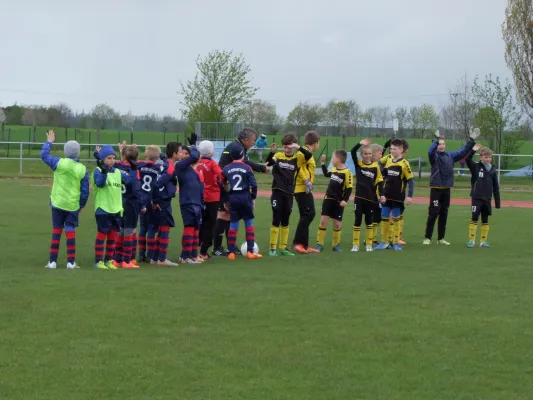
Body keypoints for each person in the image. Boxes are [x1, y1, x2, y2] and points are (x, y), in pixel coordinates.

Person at [212, 128, 270, 256]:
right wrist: (262, 168)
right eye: (253, 140)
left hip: (228, 186)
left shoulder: (238, 146)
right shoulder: (237, 147)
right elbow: (246, 163)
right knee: (223, 215)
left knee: (229, 216)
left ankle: (231, 247)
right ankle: (217, 247)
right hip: (224, 185)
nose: (254, 143)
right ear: (245, 139)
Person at [41, 130, 89, 269]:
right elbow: (85, 190)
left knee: (56, 230)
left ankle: (52, 262)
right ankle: (71, 262)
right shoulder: (82, 169)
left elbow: (43, 155)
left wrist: (49, 141)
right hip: (72, 205)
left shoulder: (59, 163)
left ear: (65, 151)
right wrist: (82, 205)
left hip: (57, 203)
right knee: (70, 231)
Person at [423, 128, 478, 245]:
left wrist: (471, 139)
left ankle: (441, 238)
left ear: (445, 145)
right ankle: (428, 237)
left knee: (444, 214)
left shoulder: (451, 156)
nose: (441, 146)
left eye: (443, 144)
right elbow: (429, 151)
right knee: (433, 213)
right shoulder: (434, 157)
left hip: (446, 189)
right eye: (439, 144)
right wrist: (436, 140)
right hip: (436, 189)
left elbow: (463, 151)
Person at [265, 133, 313, 256]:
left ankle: (283, 248)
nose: (286, 149)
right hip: (277, 192)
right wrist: (271, 152)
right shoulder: (278, 155)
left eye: (289, 147)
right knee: (276, 218)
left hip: (289, 193)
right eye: (285, 147)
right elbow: (269, 163)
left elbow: (309, 155)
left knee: (286, 221)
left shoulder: (297, 158)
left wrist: (298, 147)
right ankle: (272, 248)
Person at [91, 145, 135, 270]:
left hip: (116, 210)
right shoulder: (97, 171)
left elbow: (130, 181)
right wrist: (104, 171)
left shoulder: (117, 172)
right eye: (109, 158)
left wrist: (134, 168)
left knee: (112, 237)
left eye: (113, 158)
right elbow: (100, 183)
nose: (112, 160)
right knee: (102, 236)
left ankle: (109, 260)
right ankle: (99, 261)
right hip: (103, 209)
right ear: (103, 159)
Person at [105, 142, 146, 268]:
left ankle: (117, 259)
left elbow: (118, 161)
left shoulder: (117, 167)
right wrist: (142, 205)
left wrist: (121, 150)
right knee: (129, 231)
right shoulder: (135, 170)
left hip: (119, 202)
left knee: (120, 230)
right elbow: (136, 189)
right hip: (131, 203)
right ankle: (127, 260)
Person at [222, 147, 262, 260]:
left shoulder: (226, 168)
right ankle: (250, 251)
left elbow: (222, 184)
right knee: (249, 224)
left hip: (233, 198)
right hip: (245, 197)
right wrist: (252, 198)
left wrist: (225, 200)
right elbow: (254, 185)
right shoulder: (247, 167)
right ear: (242, 156)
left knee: (233, 225)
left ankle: (231, 253)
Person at [375, 139, 414, 251]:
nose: (392, 151)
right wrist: (381, 192)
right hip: (386, 196)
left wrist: (410, 196)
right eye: (391, 148)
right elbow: (384, 176)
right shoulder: (389, 160)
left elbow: (411, 180)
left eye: (395, 149)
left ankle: (396, 242)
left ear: (401, 150)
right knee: (384, 218)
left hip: (398, 197)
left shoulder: (404, 164)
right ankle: (384, 242)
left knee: (396, 219)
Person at [350, 139, 384, 252]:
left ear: (372, 154)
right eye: (365, 153)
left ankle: (368, 244)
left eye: (369, 154)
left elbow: (380, 182)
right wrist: (360, 143)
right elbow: (352, 151)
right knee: (358, 220)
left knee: (369, 221)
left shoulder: (376, 167)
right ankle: (355, 244)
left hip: (370, 199)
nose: (368, 156)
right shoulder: (358, 164)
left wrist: (382, 195)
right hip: (359, 198)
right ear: (361, 154)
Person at [316, 150, 353, 252]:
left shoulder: (347, 172)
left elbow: (349, 188)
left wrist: (345, 200)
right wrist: (322, 163)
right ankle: (319, 244)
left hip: (338, 202)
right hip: (328, 199)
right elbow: (326, 174)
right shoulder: (333, 169)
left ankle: (336, 245)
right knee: (323, 222)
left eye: (332, 158)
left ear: (338, 159)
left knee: (337, 224)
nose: (332, 160)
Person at [173, 145, 205, 263]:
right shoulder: (180, 166)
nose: (186, 156)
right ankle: (185, 256)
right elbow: (195, 156)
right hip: (187, 202)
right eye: (183, 153)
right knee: (190, 227)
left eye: (187, 153)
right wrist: (193, 147)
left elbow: (200, 189)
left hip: (196, 203)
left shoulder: (193, 170)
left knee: (196, 229)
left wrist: (202, 203)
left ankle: (193, 255)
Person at [153, 142, 182, 266]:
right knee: (165, 229)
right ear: (175, 154)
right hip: (163, 202)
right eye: (180, 151)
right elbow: (158, 184)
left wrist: (160, 154)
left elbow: (166, 158)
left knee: (161, 229)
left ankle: (155, 258)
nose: (182, 154)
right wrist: (155, 201)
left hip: (163, 201)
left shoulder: (167, 162)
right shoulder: (170, 168)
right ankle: (162, 259)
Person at [466, 145, 501, 248]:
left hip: (487, 199)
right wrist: (473, 150)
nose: (488, 159)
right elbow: (467, 159)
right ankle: (471, 240)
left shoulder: (493, 170)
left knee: (485, 219)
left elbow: (496, 187)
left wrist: (497, 202)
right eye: (486, 157)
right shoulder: (476, 167)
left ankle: (483, 241)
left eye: (489, 157)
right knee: (474, 217)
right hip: (476, 198)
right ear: (481, 157)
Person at [292, 131, 321, 254]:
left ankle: (304, 244)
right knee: (308, 214)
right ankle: (298, 243)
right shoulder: (301, 153)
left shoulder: (305, 152)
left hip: (305, 189)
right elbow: (300, 168)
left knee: (308, 214)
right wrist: (306, 181)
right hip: (301, 188)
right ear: (315, 143)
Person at [196, 140, 224, 260]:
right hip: (212, 197)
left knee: (201, 222)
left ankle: (195, 245)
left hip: (199, 196)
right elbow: (222, 176)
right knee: (210, 224)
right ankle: (203, 251)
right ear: (212, 152)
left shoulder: (196, 163)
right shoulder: (213, 164)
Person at [137, 145, 162, 262]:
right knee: (152, 228)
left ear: (146, 155)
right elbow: (156, 186)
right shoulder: (158, 168)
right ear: (158, 156)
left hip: (141, 199)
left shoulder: (140, 166)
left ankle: (141, 255)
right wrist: (156, 201)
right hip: (151, 200)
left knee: (143, 228)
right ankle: (151, 255)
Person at [369, 143, 384, 245]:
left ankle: (372, 238)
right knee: (373, 217)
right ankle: (369, 239)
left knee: (377, 217)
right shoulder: (372, 166)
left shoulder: (378, 165)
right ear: (373, 154)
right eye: (379, 153)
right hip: (372, 196)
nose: (381, 156)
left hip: (376, 195)